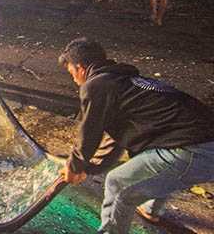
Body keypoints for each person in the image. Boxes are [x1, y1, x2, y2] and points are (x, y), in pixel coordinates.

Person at [58, 37, 214, 234]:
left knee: (119, 186)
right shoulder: (121, 81)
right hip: (196, 142)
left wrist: (75, 166)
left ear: (80, 67)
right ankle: (151, 209)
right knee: (149, 164)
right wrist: (87, 167)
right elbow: (115, 139)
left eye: (71, 72)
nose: (73, 79)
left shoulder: (95, 85)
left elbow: (89, 131)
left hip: (195, 150)